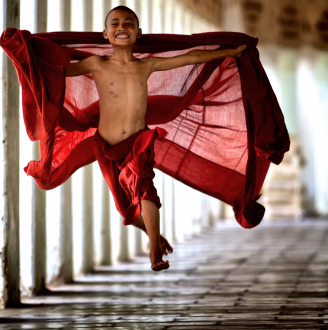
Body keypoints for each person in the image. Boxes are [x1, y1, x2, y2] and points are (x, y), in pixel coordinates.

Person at [65, 6, 246, 271]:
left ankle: (154, 254)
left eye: (129, 23)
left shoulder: (146, 65)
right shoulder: (96, 64)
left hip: (138, 141)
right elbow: (61, 71)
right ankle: (154, 236)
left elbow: (192, 57)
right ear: (105, 34)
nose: (122, 27)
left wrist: (230, 52)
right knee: (125, 208)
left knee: (146, 191)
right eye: (115, 23)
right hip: (105, 145)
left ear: (139, 33)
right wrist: (28, 56)